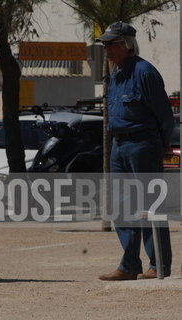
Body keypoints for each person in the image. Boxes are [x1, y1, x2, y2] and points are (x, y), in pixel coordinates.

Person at [96, 22, 174, 281]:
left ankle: (158, 265)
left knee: (150, 205)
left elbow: (164, 114)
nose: (106, 49)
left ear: (127, 45)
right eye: (105, 44)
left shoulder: (145, 72)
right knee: (121, 207)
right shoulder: (115, 74)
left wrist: (161, 144)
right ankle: (129, 266)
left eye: (111, 43)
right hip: (119, 146)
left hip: (143, 145)